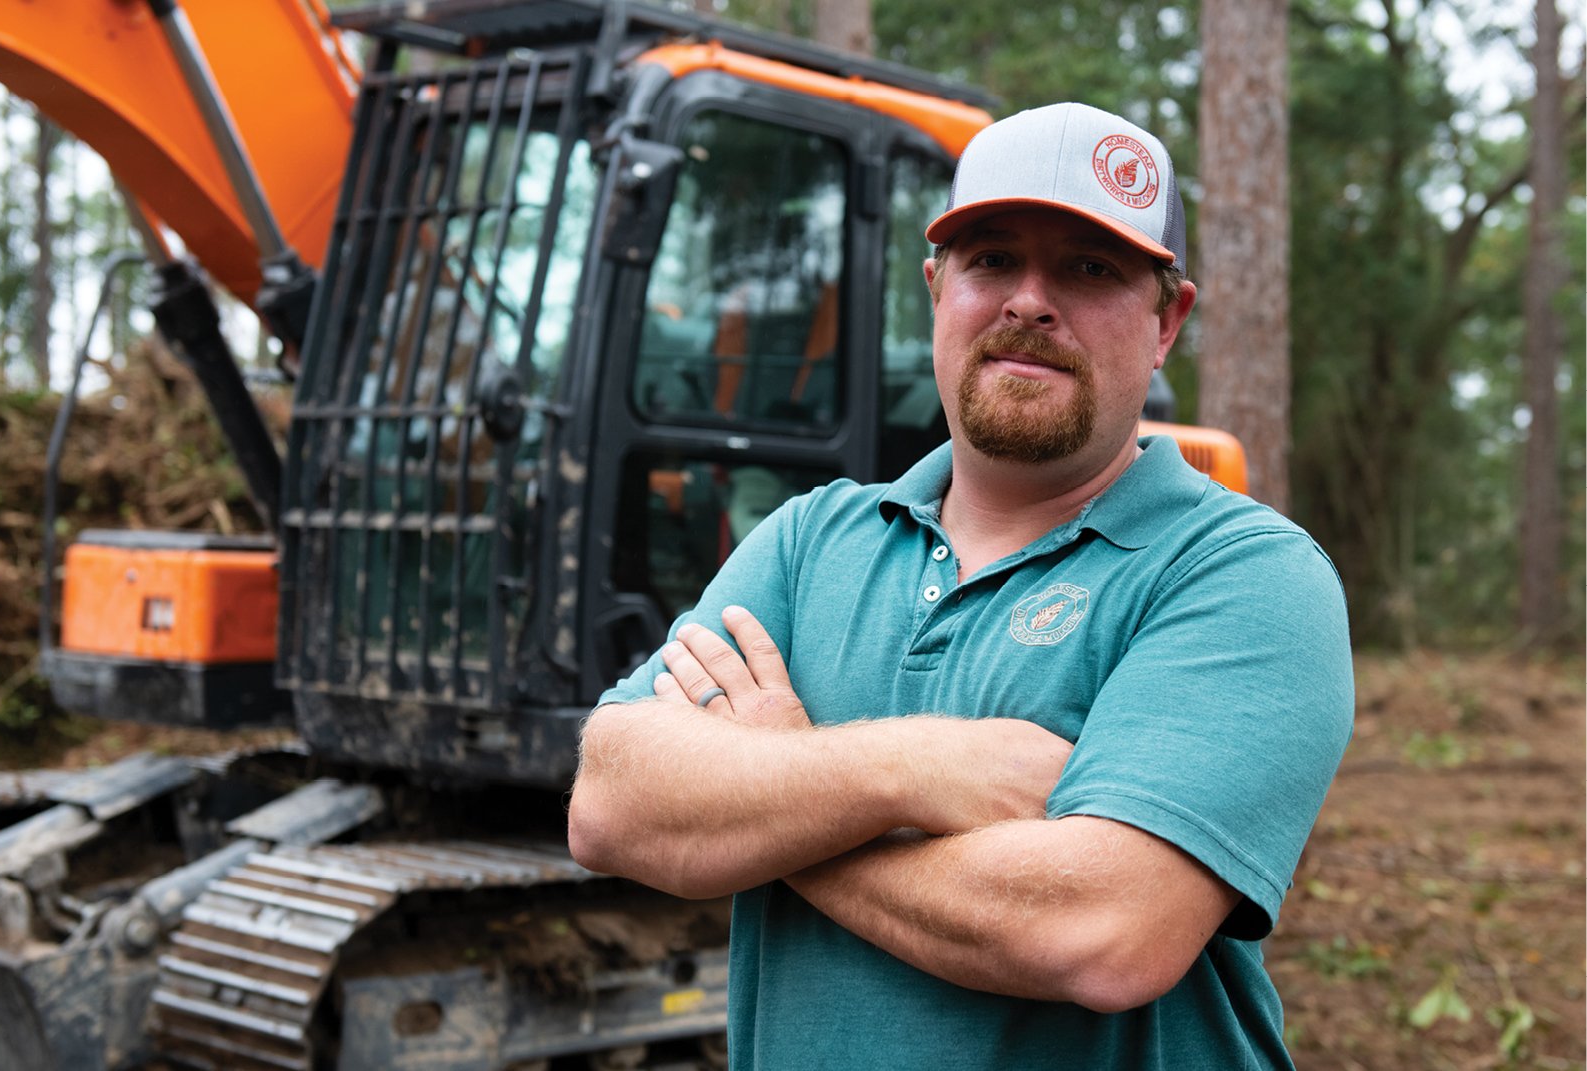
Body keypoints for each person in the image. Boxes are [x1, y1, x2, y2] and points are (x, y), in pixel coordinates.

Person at [568, 102, 1354, 1070]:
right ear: (938, 290)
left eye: (1090, 267)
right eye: (992, 260)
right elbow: (611, 802)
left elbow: (1102, 932)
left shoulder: (1244, 574)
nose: (1030, 299)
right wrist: (912, 770)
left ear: (1167, 322)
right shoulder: (814, 538)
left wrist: (776, 794)